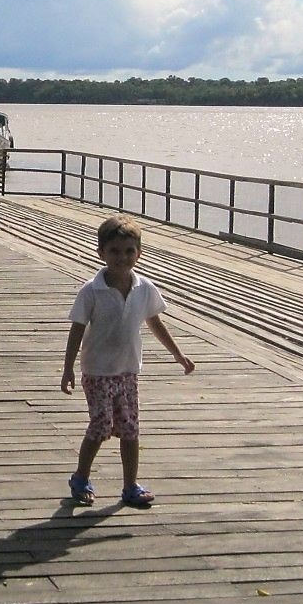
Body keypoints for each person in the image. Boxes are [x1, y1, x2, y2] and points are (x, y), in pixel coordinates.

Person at [61, 214, 194, 509]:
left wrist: (177, 353)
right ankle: (81, 478)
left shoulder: (144, 287)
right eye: (114, 251)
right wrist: (68, 368)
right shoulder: (91, 290)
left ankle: (130, 485)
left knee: (130, 428)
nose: (122, 258)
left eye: (129, 251)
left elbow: (154, 321)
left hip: (128, 371)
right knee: (100, 426)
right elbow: (77, 328)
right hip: (97, 371)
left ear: (139, 253)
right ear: (101, 253)